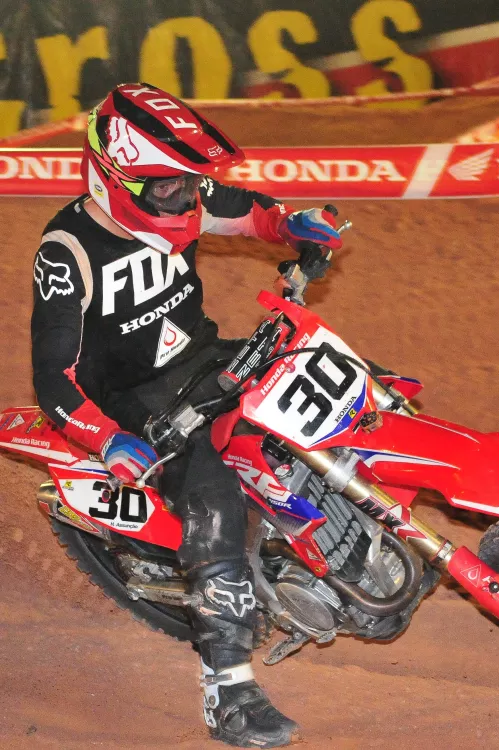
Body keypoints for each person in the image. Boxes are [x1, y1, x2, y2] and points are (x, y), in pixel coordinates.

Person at [31, 82, 343, 748]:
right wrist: (108, 439)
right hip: (134, 398)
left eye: (189, 183)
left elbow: (248, 211)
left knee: (330, 378)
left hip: (204, 358)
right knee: (214, 501)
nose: (186, 199)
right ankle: (229, 692)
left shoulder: (182, 198)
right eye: (169, 186)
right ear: (118, 179)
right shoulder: (68, 250)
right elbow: (53, 380)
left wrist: (292, 223)